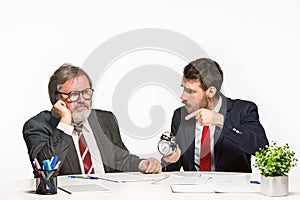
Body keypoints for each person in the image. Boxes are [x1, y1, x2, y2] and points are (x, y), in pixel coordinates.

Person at [23, 63, 162, 175]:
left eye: (86, 92)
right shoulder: (37, 126)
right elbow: (45, 171)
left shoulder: (105, 120)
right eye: (74, 94)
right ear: (56, 98)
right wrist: (65, 122)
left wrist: (143, 164)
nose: (82, 100)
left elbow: (119, 159)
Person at [162, 58, 269, 173]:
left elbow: (261, 148)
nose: (182, 97)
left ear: (211, 92)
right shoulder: (180, 116)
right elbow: (174, 168)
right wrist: (171, 159)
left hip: (232, 188)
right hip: (193, 188)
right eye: (183, 88)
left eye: (190, 91)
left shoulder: (243, 110)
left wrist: (220, 120)